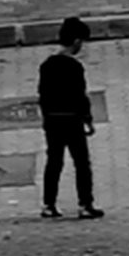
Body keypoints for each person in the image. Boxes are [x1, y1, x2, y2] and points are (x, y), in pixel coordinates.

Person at [36, 18, 105, 219]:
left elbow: (43, 94)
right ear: (76, 41)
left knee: (54, 161)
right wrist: (88, 119)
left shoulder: (47, 65)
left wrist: (46, 117)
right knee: (81, 163)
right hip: (72, 119)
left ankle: (49, 204)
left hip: (53, 120)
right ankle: (85, 204)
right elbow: (80, 96)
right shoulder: (75, 67)